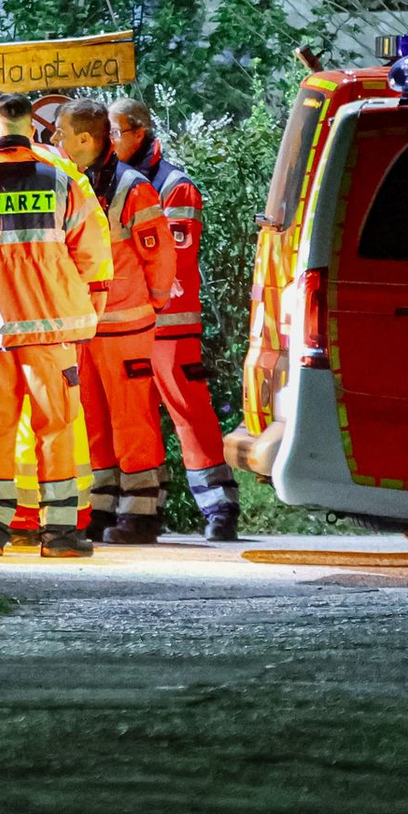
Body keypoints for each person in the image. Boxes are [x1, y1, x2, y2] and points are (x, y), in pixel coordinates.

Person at [0, 92, 111, 557]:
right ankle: (60, 535)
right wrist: (84, 311)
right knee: (56, 428)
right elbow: (94, 254)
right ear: (31, 126)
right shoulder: (62, 182)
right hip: (51, 330)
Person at [109, 97, 241, 541]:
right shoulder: (117, 181)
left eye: (116, 132)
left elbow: (175, 261)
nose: (110, 141)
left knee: (190, 411)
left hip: (171, 324)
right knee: (136, 418)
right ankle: (143, 509)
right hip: (134, 325)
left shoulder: (173, 186)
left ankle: (220, 508)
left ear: (139, 131)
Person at [55, 98, 174, 544]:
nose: (56, 141)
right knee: (94, 422)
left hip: (126, 326)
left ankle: (141, 514)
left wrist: (152, 305)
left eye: (62, 133)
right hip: (87, 327)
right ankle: (102, 508)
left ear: (86, 139)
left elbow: (160, 256)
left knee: (132, 420)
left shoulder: (132, 187)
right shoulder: (73, 183)